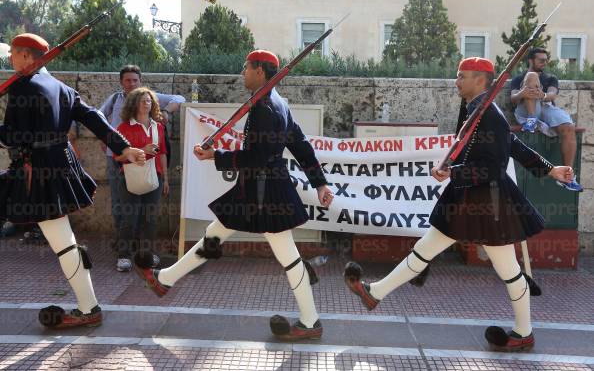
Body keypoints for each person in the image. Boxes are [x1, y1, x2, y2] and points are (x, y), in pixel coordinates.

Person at [344, 57, 574, 352]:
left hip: (488, 201)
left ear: (480, 80)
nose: (456, 81)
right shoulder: (475, 108)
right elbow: (511, 145)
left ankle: (524, 332)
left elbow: (495, 165)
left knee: (509, 270)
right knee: (425, 249)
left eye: (461, 76)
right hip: (467, 195)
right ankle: (374, 293)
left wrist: (452, 172)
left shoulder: (489, 113)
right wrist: (549, 169)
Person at [136, 50, 334, 341]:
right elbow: (300, 145)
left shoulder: (265, 107)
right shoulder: (276, 103)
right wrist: (320, 183)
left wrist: (215, 157)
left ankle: (310, 321)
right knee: (215, 234)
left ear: (260, 71)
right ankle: (164, 280)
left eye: (246, 67)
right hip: (258, 188)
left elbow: (256, 157)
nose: (243, 72)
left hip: (265, 192)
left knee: (289, 257)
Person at [0, 33, 145, 328]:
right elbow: (93, 117)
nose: (10, 59)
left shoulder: (24, 88)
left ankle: (89, 307)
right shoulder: (62, 88)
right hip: (58, 168)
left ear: (27, 56)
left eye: (14, 54)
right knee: (64, 241)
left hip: (36, 174)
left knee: (64, 243)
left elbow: (14, 136)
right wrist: (123, 148)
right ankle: (89, 305)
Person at [97, 65, 185, 240]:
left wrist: (166, 111)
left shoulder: (148, 97)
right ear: (121, 82)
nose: (131, 84)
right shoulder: (114, 99)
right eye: (128, 80)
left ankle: (139, 244)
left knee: (146, 207)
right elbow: (98, 115)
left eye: (135, 80)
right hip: (116, 158)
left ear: (140, 81)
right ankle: (122, 241)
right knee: (118, 203)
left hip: (146, 162)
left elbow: (180, 98)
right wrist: (102, 136)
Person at [510, 47, 582, 192]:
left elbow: (552, 94)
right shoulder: (519, 78)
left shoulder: (550, 78)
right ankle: (531, 119)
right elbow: (513, 98)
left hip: (546, 105)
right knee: (531, 76)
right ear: (531, 60)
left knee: (568, 127)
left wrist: (541, 95)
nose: (544, 62)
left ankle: (568, 176)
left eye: (546, 60)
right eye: (541, 60)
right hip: (526, 108)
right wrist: (522, 93)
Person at [114, 88, 169, 272]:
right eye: (143, 101)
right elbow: (118, 157)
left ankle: (146, 254)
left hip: (155, 177)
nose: (147, 103)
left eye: (149, 101)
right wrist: (141, 150)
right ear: (134, 104)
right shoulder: (123, 128)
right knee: (130, 219)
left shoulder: (158, 127)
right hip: (130, 179)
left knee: (150, 219)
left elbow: (162, 154)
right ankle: (123, 256)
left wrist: (166, 179)